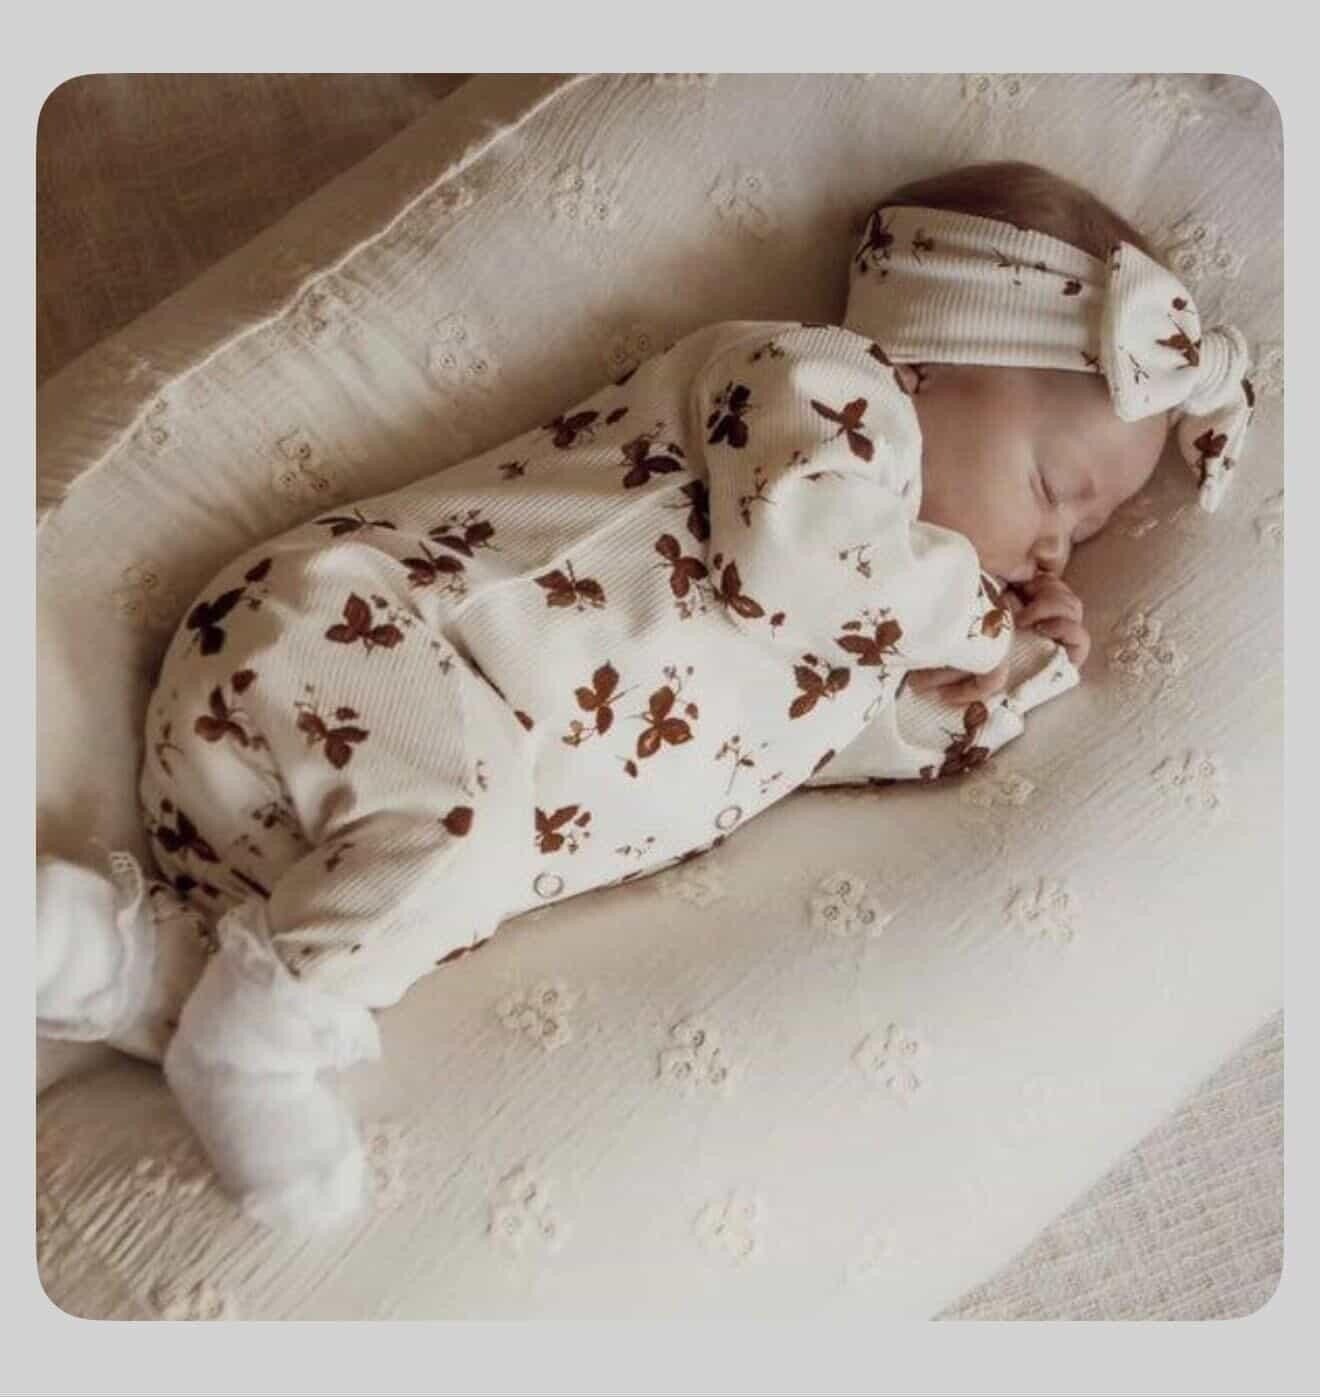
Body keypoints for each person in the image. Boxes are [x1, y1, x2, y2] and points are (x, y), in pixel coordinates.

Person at [35, 161, 1255, 1231]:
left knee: (373, 911)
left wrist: (982, 687)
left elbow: (840, 745)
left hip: (326, 817)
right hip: (362, 643)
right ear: (936, 352)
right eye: (1055, 487)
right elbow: (795, 557)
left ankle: (99, 953)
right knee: (453, 841)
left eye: (1084, 534)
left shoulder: (874, 630)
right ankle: (255, 1049)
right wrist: (975, 620)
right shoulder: (820, 396)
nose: (1056, 548)